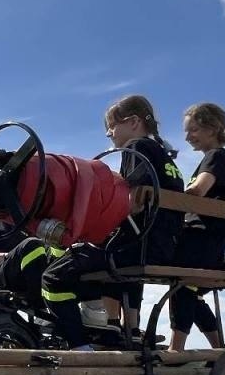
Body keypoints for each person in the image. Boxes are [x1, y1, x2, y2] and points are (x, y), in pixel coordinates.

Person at [22, 94, 184, 348]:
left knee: (53, 276)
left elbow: (131, 204)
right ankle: (120, 330)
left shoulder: (137, 147)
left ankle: (80, 345)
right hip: (162, 247)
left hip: (137, 248)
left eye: (112, 125)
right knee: (102, 264)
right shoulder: (165, 157)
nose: (109, 133)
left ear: (133, 122)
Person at [167, 101, 225, 352]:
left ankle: (175, 351)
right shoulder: (217, 158)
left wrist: (167, 200)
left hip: (202, 239)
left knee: (181, 286)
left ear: (213, 128)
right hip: (210, 241)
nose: (187, 137)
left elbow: (199, 190)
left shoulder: (216, 156)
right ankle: (220, 349)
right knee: (191, 292)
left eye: (193, 130)